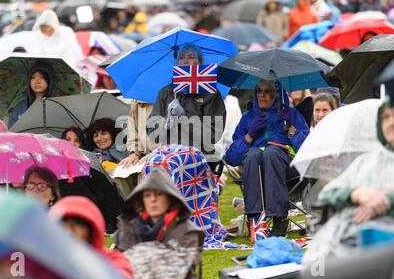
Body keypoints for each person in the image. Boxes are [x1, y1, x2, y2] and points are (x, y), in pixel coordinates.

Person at [303, 95, 394, 264]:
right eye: (386, 117)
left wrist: (384, 200)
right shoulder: (368, 161)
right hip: (343, 245)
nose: (391, 123)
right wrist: (355, 194)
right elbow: (327, 193)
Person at [224, 80, 310, 236]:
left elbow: (307, 149)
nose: (262, 95)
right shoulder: (248, 118)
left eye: (267, 91)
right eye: (259, 91)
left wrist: (291, 129)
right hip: (254, 172)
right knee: (253, 153)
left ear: (276, 94)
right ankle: (256, 219)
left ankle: (280, 219)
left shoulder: (291, 114)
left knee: (271, 152)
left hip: (288, 172)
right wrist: (250, 135)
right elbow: (231, 158)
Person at [113, 167, 203, 279]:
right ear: (142, 200)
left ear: (170, 198)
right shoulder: (129, 226)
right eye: (147, 195)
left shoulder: (187, 231)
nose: (153, 200)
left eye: (159, 194)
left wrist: (136, 257)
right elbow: (117, 267)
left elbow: (171, 275)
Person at [148, 43, 226, 163]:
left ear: (200, 63)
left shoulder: (211, 93)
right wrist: (165, 122)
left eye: (191, 57)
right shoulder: (166, 92)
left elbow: (212, 136)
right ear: (176, 63)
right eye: (181, 57)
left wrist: (184, 117)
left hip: (199, 157)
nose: (185, 61)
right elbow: (154, 135)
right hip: (169, 155)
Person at [49, 196, 133, 279]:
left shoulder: (111, 260)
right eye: (62, 224)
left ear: (91, 229)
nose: (68, 231)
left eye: (77, 224)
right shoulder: (46, 262)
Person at [8, 62, 55, 128]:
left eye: (42, 77)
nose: (37, 81)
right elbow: (11, 133)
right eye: (33, 77)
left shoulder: (56, 106)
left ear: (50, 80)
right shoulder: (20, 108)